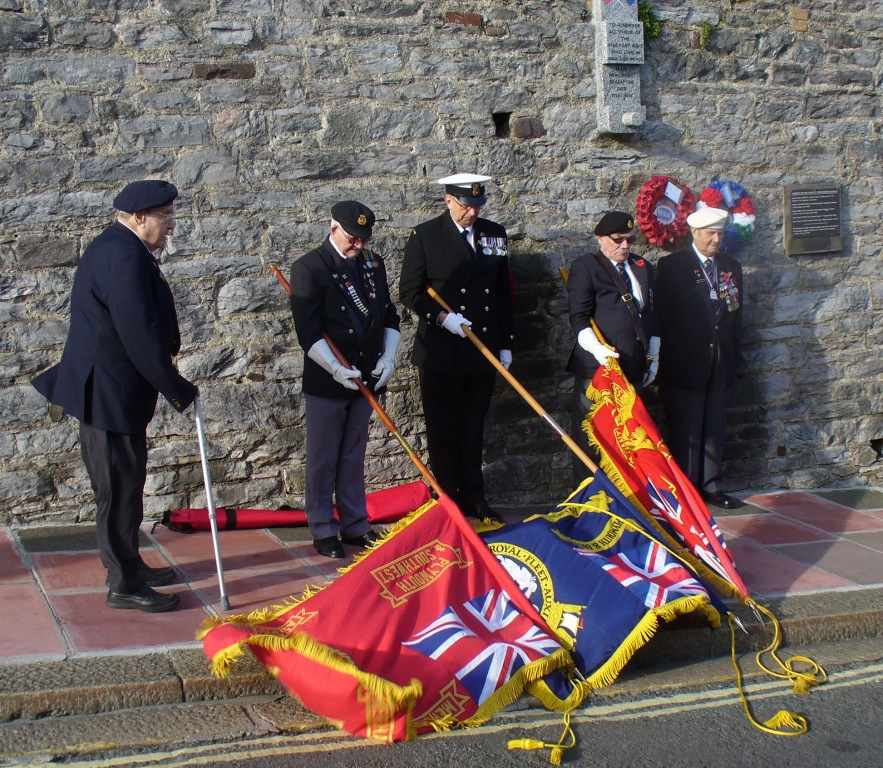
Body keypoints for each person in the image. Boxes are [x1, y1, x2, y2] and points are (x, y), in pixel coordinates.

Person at [32, 180, 197, 612]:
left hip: (117, 392)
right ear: (140, 217)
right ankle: (123, 582)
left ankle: (131, 564)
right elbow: (138, 337)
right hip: (106, 394)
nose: (171, 226)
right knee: (116, 489)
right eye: (165, 217)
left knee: (128, 484)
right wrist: (178, 389)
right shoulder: (123, 256)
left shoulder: (121, 247)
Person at [398, 173, 514, 522]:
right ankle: (449, 501)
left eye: (478, 206)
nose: (472, 213)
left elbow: (503, 292)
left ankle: (476, 497)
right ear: (448, 200)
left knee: (474, 427)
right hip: (442, 352)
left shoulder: (494, 234)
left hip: (482, 349)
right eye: (466, 206)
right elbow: (411, 292)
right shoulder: (426, 236)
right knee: (443, 429)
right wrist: (442, 319)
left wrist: (506, 343)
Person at [290, 201, 401, 558]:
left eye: (363, 240)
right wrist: (335, 368)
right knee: (323, 457)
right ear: (332, 226)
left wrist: (389, 356)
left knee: (353, 454)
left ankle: (355, 524)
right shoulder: (309, 268)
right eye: (352, 238)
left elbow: (388, 314)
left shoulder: (372, 263)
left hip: (367, 373)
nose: (359, 246)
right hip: (328, 379)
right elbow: (307, 332)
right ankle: (323, 527)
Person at [656, 206, 745, 509]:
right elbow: (663, 317)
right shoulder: (673, 267)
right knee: (687, 428)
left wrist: (736, 357)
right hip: (685, 361)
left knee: (715, 425)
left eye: (720, 233)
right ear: (695, 233)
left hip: (721, 359)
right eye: (711, 233)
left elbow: (736, 314)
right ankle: (687, 488)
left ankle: (712, 485)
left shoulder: (732, 266)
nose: (716, 239)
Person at [566, 211, 660, 472]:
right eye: (618, 240)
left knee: (629, 437)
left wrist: (654, 355)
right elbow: (578, 317)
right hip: (597, 370)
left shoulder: (643, 267)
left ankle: (628, 498)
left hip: (633, 367)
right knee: (594, 437)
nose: (625, 246)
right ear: (600, 238)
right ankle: (593, 498)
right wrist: (598, 350)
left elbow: (652, 315)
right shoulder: (587, 267)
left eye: (630, 240)